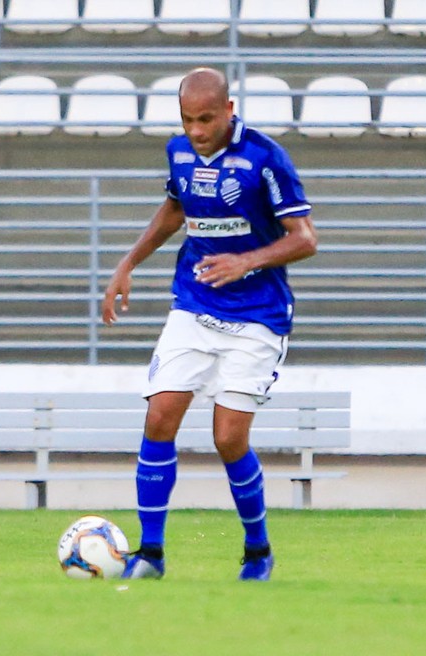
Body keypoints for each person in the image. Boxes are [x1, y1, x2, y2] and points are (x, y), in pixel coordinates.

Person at [101, 68, 317, 581]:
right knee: (159, 419)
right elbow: (174, 210)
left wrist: (246, 261)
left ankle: (258, 551)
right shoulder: (178, 152)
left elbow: (305, 237)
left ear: (228, 110)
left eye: (205, 119)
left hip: (258, 314)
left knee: (228, 438)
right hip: (194, 305)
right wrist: (127, 264)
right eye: (186, 119)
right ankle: (150, 554)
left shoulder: (264, 157)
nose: (196, 130)